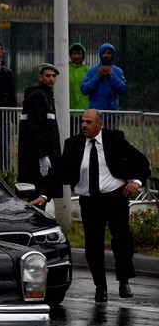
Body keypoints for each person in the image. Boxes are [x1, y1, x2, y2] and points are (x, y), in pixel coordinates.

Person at [30, 109, 150, 302]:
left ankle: (123, 281)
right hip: (90, 201)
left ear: (99, 124)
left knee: (122, 240)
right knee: (93, 245)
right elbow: (59, 172)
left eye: (89, 122)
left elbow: (141, 161)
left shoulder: (114, 139)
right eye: (83, 122)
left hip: (114, 197)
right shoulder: (74, 144)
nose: (84, 125)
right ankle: (100, 287)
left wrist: (136, 182)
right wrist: (44, 195)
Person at [18, 64, 61, 203]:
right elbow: (34, 128)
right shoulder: (38, 96)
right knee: (38, 192)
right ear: (40, 77)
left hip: (44, 154)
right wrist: (42, 155)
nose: (51, 79)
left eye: (54, 76)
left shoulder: (47, 95)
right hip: (37, 156)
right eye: (47, 75)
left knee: (43, 193)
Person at [80, 43, 127, 111]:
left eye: (109, 53)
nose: (106, 55)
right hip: (95, 113)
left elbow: (123, 90)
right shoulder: (92, 71)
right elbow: (84, 89)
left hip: (112, 113)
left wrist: (112, 75)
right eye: (104, 53)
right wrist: (97, 77)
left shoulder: (118, 71)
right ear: (100, 54)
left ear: (112, 55)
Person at [68, 43, 91, 110]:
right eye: (74, 54)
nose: (76, 56)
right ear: (70, 55)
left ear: (83, 55)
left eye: (79, 53)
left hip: (85, 109)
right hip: (69, 110)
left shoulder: (88, 70)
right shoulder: (66, 70)